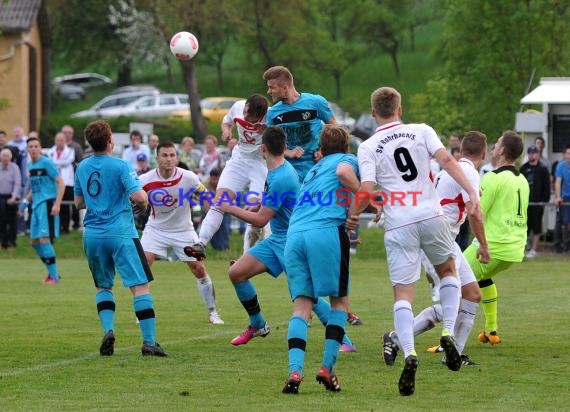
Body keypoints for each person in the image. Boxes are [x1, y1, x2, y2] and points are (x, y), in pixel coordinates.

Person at [346, 87, 482, 396]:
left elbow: (367, 187)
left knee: (403, 293)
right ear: (400, 107)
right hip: (432, 215)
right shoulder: (421, 130)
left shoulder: (368, 145)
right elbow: (447, 160)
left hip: (399, 223)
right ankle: (448, 330)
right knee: (449, 272)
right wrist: (472, 193)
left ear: (372, 114)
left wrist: (353, 214)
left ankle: (409, 352)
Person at [217, 126, 356, 357]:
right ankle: (258, 325)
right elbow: (273, 203)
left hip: (290, 239)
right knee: (237, 273)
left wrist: (229, 208)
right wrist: (259, 203)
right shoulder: (276, 170)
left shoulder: (282, 176)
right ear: (285, 147)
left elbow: (261, 221)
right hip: (276, 240)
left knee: (307, 296)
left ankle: (344, 340)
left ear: (262, 148)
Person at [382, 131, 490, 367]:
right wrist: (483, 244)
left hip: (446, 241)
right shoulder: (469, 172)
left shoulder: (449, 171)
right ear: (484, 153)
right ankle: (396, 338)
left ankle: (455, 355)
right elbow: (473, 211)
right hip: (436, 242)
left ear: (460, 151)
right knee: (454, 303)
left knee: (472, 294)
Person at [74, 120, 167, 357]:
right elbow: (140, 196)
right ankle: (149, 342)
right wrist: (141, 202)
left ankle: (109, 330)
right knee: (140, 286)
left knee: (103, 285)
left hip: (93, 235)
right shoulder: (121, 165)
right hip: (121, 233)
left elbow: (78, 203)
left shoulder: (82, 167)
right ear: (109, 141)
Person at [280, 124, 359, 394]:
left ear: (320, 149)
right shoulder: (347, 160)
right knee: (339, 303)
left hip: (294, 236)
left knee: (302, 308)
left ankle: (294, 372)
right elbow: (343, 173)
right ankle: (327, 368)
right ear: (346, 147)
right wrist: (365, 195)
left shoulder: (312, 171)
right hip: (325, 233)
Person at [138, 142, 224, 325]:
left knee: (199, 268)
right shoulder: (145, 179)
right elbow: (133, 198)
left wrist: (212, 214)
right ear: (157, 158)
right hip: (155, 229)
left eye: (172, 155)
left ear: (177, 158)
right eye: (164, 155)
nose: (169, 159)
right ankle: (142, 313)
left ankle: (213, 312)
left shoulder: (189, 177)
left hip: (183, 230)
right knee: (143, 266)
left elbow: (205, 195)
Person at [462, 131, 529, 346]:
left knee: (452, 281)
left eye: (496, 143)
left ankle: (449, 339)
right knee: (481, 279)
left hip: (493, 245)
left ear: (501, 151)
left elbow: (476, 211)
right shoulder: (522, 180)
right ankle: (491, 329)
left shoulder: (493, 177)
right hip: (515, 249)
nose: (492, 147)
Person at [184, 94, 269, 260]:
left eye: (249, 117)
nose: (244, 117)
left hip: (260, 163)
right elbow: (227, 121)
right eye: (245, 112)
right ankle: (200, 243)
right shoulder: (238, 106)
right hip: (238, 160)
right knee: (220, 201)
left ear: (260, 115)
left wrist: (267, 131)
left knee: (254, 208)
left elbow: (282, 137)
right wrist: (226, 131)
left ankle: (247, 257)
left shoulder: (272, 116)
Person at [262, 65, 335, 182]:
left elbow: (333, 126)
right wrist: (287, 152)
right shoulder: (272, 113)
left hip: (316, 167)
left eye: (272, 88)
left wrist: (324, 150)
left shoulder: (316, 102)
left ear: (285, 88)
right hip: (288, 171)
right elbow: (271, 146)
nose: (268, 91)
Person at [23, 137, 65, 283]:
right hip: (35, 206)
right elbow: (35, 188)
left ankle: (54, 276)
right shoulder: (30, 165)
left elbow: (61, 183)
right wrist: (25, 201)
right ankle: (52, 273)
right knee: (35, 242)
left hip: (47, 204)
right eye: (31, 147)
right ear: (27, 149)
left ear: (40, 148)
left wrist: (57, 204)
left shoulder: (46, 162)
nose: (33, 149)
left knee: (44, 239)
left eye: (36, 146)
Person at [520, 145, 551, 258]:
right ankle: (522, 249)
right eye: (530, 153)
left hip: (538, 203)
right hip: (525, 203)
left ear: (538, 154)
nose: (532, 155)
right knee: (524, 226)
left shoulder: (543, 169)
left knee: (536, 226)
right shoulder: (523, 168)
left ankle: (534, 249)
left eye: (534, 153)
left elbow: (546, 186)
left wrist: (544, 200)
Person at [47, 132, 75, 234]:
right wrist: (56, 163)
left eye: (62, 140)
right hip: (55, 182)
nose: (60, 142)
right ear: (55, 141)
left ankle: (66, 227)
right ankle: (57, 227)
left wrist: (55, 163)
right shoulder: (51, 151)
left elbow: (66, 162)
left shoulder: (70, 151)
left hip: (67, 182)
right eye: (58, 140)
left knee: (66, 206)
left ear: (65, 141)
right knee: (56, 204)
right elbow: (50, 163)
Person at [0, 148, 21, 248]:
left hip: (11, 196)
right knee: (1, 220)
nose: (5, 158)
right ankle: (3, 242)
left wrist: (14, 197)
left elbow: (17, 183)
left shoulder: (15, 167)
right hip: (1, 197)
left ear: (10, 158)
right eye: (3, 156)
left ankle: (12, 241)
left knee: (12, 220)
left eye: (7, 156)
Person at [554, 144, 570, 252]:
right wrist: (558, 196)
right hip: (565, 198)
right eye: (568, 153)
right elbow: (558, 182)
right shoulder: (560, 166)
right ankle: (565, 245)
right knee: (566, 222)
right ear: (564, 155)